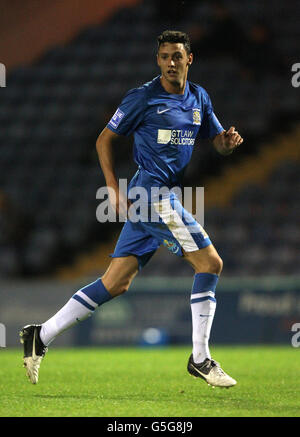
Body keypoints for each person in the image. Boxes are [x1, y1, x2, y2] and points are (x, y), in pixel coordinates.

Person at [20, 30, 243, 387]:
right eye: (164, 56)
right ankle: (200, 358)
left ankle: (40, 335)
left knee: (115, 282)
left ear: (190, 59)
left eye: (177, 56)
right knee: (210, 263)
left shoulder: (200, 97)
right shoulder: (143, 98)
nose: (171, 62)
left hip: (159, 196)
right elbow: (104, 139)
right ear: (158, 61)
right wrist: (112, 188)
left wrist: (227, 144)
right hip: (151, 195)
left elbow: (216, 141)